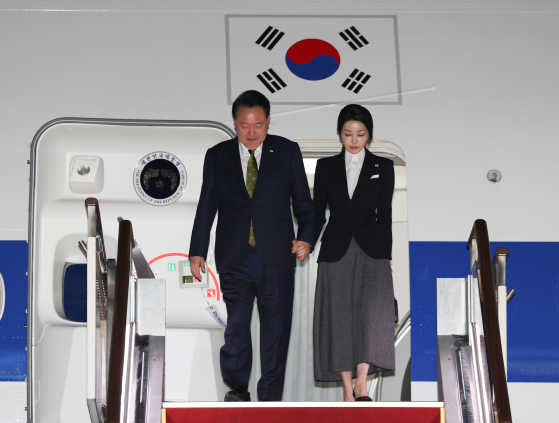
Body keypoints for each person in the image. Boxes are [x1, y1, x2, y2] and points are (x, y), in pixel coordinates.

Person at [189, 90, 314, 402]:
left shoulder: (286, 152)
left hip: (277, 259)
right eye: (245, 126)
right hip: (235, 258)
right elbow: (207, 206)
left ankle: (269, 400)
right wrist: (197, 250)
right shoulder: (217, 156)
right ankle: (237, 390)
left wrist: (307, 237)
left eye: (258, 125)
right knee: (237, 327)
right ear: (235, 123)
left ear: (268, 121)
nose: (252, 132)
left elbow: (304, 205)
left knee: (275, 332)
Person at [312, 104, 395, 401]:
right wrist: (305, 240)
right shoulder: (325, 167)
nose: (354, 139)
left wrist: (387, 258)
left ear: (369, 135)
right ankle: (347, 390)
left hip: (372, 248)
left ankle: (362, 384)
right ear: (340, 135)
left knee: (368, 316)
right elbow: (317, 213)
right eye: (347, 133)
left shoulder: (382, 167)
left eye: (360, 133)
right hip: (335, 247)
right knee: (339, 315)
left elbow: (384, 214)